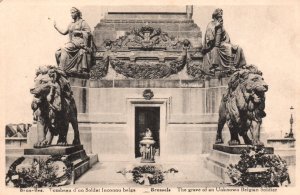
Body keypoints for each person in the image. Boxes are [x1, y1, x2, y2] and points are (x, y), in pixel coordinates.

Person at [202, 8, 246, 73]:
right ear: (215, 16)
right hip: (214, 44)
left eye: (221, 16)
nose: (221, 18)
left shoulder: (221, 25)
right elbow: (210, 38)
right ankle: (229, 67)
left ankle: (238, 65)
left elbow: (226, 36)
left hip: (222, 43)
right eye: (219, 16)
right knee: (227, 47)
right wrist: (216, 27)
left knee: (239, 48)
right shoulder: (211, 24)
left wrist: (221, 29)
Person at [54, 7, 92, 73]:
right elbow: (64, 32)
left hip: (79, 41)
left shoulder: (82, 22)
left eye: (72, 13)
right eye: (70, 13)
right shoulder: (71, 24)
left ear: (77, 13)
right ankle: (64, 68)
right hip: (73, 42)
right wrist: (56, 27)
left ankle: (61, 68)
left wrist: (80, 32)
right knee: (58, 52)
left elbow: (88, 32)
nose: (71, 15)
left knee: (64, 48)